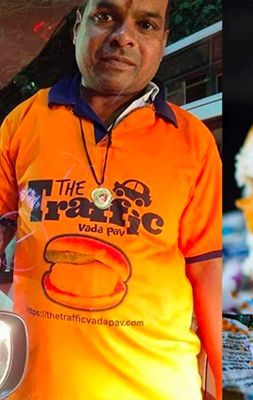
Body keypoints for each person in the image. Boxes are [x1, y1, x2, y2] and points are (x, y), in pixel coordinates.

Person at [0, 0, 222, 398]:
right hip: (35, 387)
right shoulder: (24, 121)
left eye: (147, 25)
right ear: (76, 29)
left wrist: (223, 384)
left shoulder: (194, 142)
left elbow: (210, 273)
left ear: (163, 41)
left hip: (158, 387)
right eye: (105, 17)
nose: (124, 37)